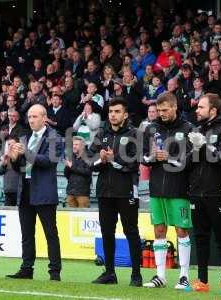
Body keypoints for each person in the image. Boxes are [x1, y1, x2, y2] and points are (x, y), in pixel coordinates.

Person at [142, 92, 193, 290]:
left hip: (179, 188)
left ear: (174, 108)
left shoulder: (187, 128)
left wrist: (169, 157)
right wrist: (153, 156)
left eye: (165, 110)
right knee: (159, 230)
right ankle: (160, 276)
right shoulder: (151, 129)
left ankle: (184, 276)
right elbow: (142, 157)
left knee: (181, 231)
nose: (161, 113)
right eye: (159, 110)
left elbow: (191, 160)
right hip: (156, 188)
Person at [89, 97, 142, 287]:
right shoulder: (102, 133)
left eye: (117, 111)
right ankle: (110, 273)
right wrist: (100, 160)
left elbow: (134, 163)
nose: (113, 115)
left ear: (125, 114)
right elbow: (89, 160)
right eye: (111, 111)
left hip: (126, 190)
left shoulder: (135, 133)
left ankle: (136, 274)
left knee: (131, 231)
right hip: (104, 192)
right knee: (107, 232)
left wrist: (113, 160)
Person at [6, 104, 62, 281]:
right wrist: (13, 160)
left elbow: (49, 161)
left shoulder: (55, 137)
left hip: (44, 190)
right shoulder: (24, 137)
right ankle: (26, 268)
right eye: (29, 117)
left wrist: (27, 152)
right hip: (26, 189)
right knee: (27, 233)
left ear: (44, 118)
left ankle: (54, 272)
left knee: (50, 233)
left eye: (35, 117)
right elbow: (20, 166)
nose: (31, 120)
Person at [188, 93, 221, 294]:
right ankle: (202, 281)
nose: (197, 110)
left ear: (213, 110)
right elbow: (187, 164)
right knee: (200, 238)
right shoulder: (196, 130)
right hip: (197, 193)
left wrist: (205, 146)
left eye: (201, 107)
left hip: (217, 192)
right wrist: (193, 151)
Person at [64, 136, 92, 208]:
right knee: (70, 217)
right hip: (70, 192)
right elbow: (66, 175)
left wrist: (72, 167)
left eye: (76, 145)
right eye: (73, 144)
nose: (74, 146)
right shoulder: (71, 156)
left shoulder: (88, 156)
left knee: (83, 216)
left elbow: (87, 172)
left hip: (82, 194)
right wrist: (67, 167)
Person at [0, 136, 20, 206]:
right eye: (8, 144)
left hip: (18, 190)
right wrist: (4, 164)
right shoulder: (6, 157)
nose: (9, 146)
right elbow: (0, 172)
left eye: (12, 144)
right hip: (8, 190)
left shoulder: (20, 156)